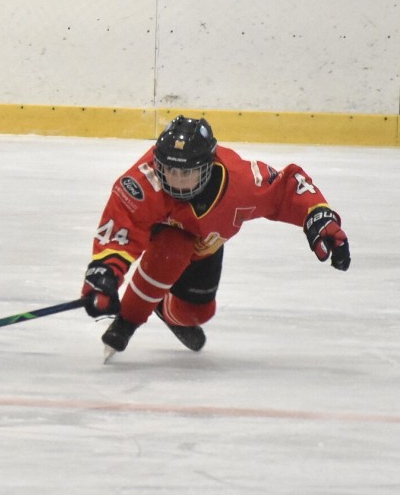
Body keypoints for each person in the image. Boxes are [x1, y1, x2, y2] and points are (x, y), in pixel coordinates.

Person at [80, 115, 350, 354]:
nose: (176, 180)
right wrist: (104, 275)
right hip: (165, 237)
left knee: (196, 314)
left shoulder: (242, 182)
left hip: (205, 246)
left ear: (207, 167)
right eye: (170, 171)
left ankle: (164, 308)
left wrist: (318, 215)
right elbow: (120, 230)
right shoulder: (141, 183)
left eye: (187, 173)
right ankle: (127, 320)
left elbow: (285, 190)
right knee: (173, 247)